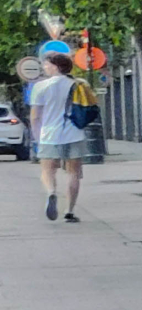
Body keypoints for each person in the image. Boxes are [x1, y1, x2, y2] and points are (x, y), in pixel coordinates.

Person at [25, 51, 85, 223]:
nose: (44, 67)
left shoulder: (40, 87)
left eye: (46, 64)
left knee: (47, 170)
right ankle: (69, 211)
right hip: (74, 133)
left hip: (49, 134)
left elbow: (35, 116)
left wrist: (37, 136)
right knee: (74, 173)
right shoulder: (77, 84)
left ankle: (51, 192)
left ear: (55, 66)